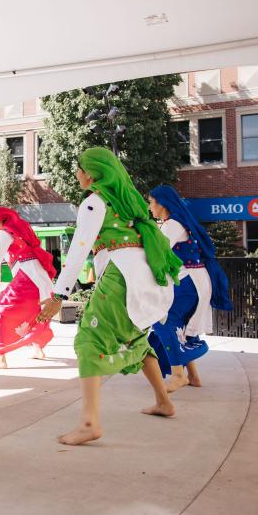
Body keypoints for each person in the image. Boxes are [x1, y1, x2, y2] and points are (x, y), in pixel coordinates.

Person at [38, 147, 182, 445]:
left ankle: (89, 423)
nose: (76, 174)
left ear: (90, 173)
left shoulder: (94, 202)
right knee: (136, 339)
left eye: (78, 168)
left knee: (89, 339)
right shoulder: (128, 201)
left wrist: (58, 295)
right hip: (145, 278)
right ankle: (163, 402)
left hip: (121, 277)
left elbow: (78, 251)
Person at [148, 185, 233, 391]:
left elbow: (155, 253)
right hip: (195, 281)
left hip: (188, 282)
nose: (149, 207)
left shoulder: (172, 225)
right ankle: (193, 376)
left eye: (151, 202)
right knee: (179, 330)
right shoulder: (176, 223)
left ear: (162, 203)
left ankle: (178, 375)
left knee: (162, 323)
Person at [0, 207, 57, 367]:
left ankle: (0, 358)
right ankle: (38, 350)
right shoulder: (21, 232)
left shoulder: (4, 233)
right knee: (36, 313)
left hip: (27, 280)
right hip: (42, 281)